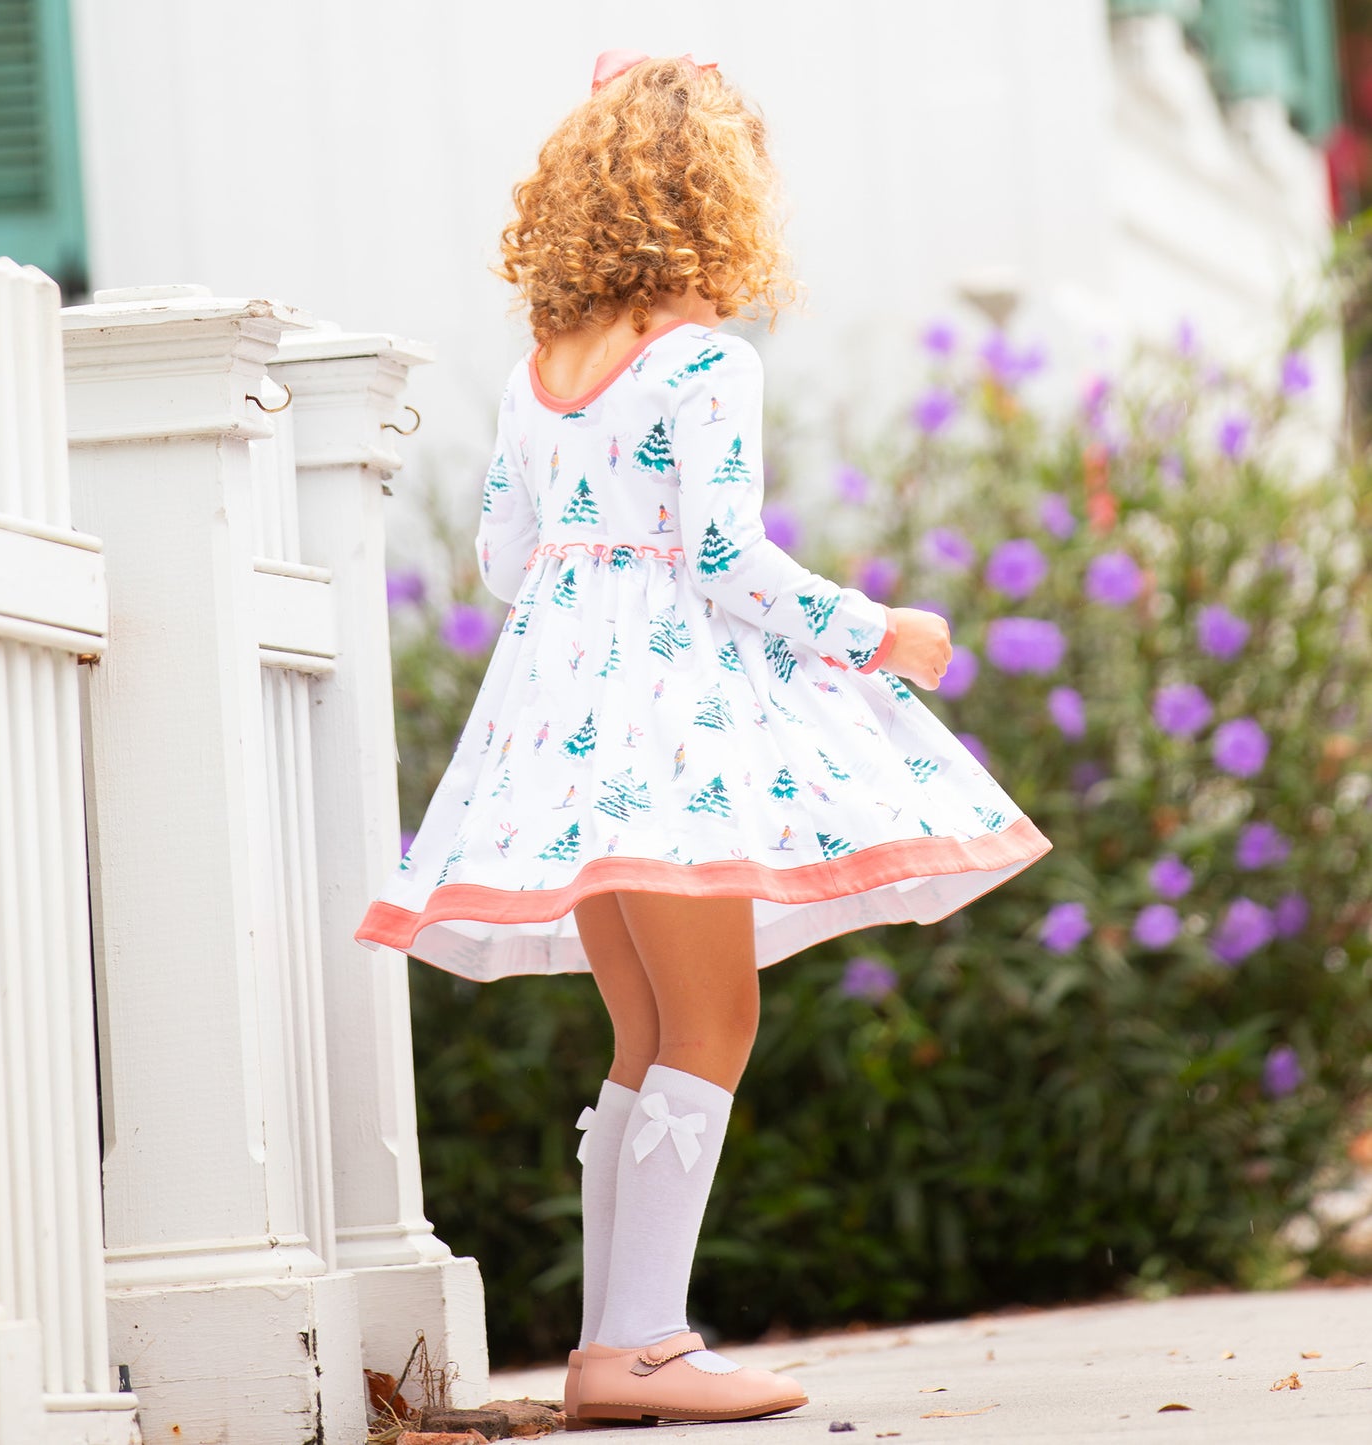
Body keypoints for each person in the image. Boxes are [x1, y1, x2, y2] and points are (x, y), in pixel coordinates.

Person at [355, 47, 1053, 1428]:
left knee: (641, 1025)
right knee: (714, 1016)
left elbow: (505, 558)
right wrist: (875, 631)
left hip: (566, 730)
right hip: (672, 731)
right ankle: (641, 1342)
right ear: (716, 196)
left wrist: (589, 577)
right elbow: (725, 556)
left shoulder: (539, 372)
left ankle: (614, 1345)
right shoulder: (703, 362)